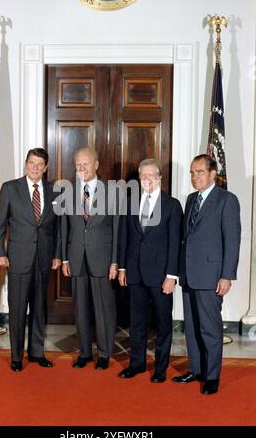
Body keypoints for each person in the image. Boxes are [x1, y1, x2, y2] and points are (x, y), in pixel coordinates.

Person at [173, 154, 241, 394]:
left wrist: (227, 276)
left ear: (213, 174)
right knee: (191, 327)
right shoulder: (191, 199)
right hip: (189, 274)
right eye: (192, 172)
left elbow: (232, 241)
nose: (195, 176)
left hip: (211, 276)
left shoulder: (227, 200)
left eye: (200, 172)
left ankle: (212, 376)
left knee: (209, 328)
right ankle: (196, 369)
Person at [0, 148, 61, 372]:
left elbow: (58, 228)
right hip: (18, 259)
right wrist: (0, 254)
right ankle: (16, 356)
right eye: (31, 163)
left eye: (39, 164)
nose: (35, 167)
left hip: (44, 259)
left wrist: (57, 255)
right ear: (26, 164)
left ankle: (36, 352)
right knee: (18, 309)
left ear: (46, 167)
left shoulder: (54, 191)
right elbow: (0, 226)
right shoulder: (10, 188)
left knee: (39, 309)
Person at [118, 159, 183, 382]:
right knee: (136, 322)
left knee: (163, 323)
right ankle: (136, 364)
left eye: (151, 176)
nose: (147, 180)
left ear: (159, 178)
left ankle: (160, 368)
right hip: (134, 272)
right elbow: (124, 237)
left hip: (161, 276)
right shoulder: (130, 202)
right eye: (143, 176)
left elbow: (175, 243)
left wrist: (172, 276)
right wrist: (123, 267)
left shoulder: (172, 205)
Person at [61, 147, 118, 370]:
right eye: (78, 165)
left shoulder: (112, 192)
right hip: (76, 258)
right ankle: (85, 352)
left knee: (104, 308)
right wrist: (65, 259)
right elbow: (63, 228)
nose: (82, 168)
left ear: (96, 164)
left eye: (86, 163)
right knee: (81, 308)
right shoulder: (69, 191)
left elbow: (117, 230)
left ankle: (104, 353)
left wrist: (115, 261)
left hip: (102, 259)